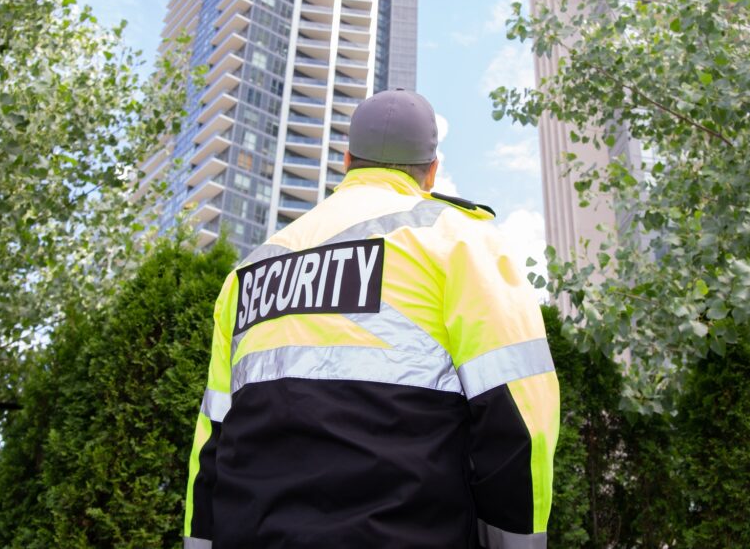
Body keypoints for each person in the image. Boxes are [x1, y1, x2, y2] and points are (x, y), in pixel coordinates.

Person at [183, 89, 559, 549]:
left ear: (347, 161)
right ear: (431, 171)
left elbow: (211, 442)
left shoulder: (246, 275)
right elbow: (519, 414)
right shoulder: (461, 243)